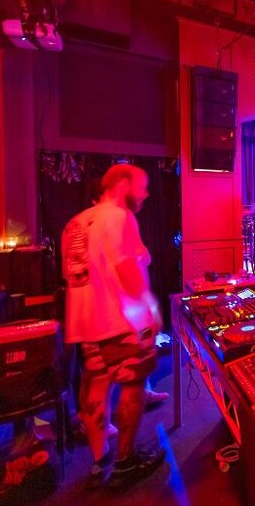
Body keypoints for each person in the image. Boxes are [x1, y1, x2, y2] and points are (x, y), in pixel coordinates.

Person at [62, 164, 165, 488]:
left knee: (94, 386)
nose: (146, 193)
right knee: (133, 386)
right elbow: (127, 271)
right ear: (123, 183)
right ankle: (124, 462)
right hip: (119, 322)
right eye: (142, 186)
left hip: (86, 323)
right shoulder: (120, 216)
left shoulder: (75, 224)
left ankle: (100, 458)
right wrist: (150, 311)